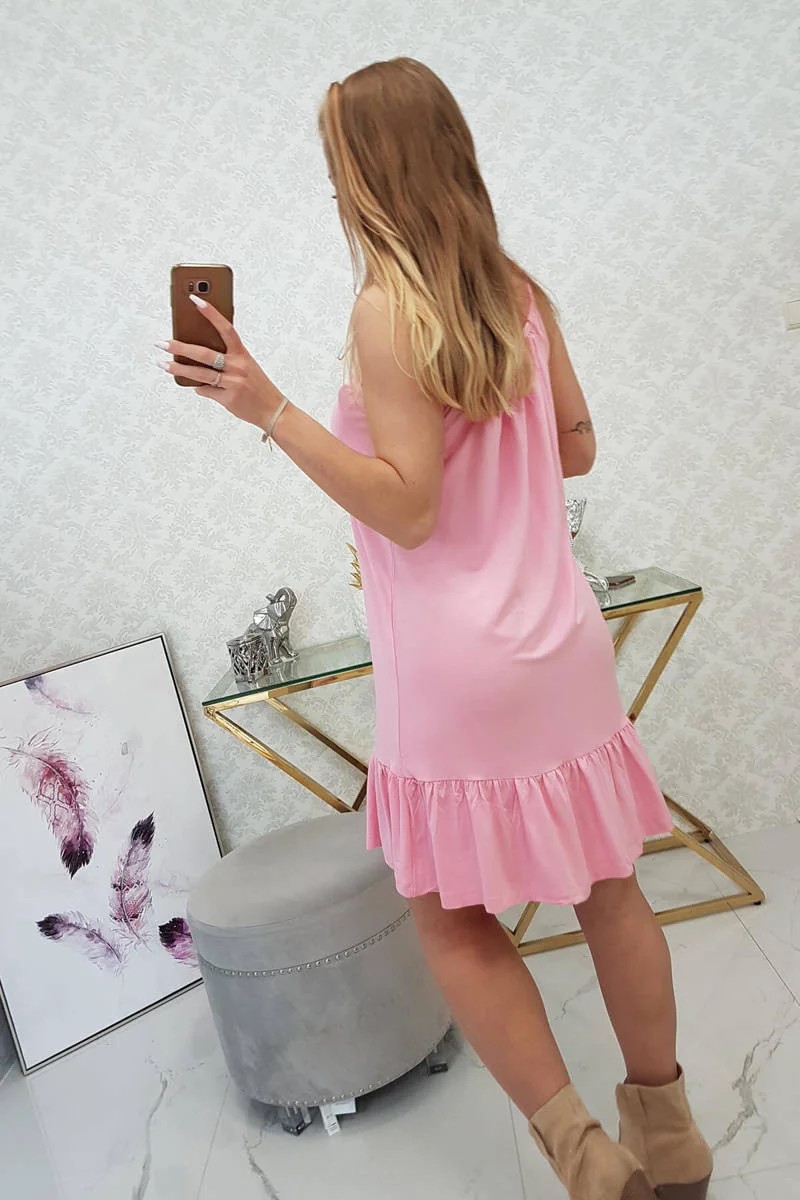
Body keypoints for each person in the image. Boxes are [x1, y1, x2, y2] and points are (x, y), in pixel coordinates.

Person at [156, 57, 713, 1200]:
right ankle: (669, 1138)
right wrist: (495, 467)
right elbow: (574, 446)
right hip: (558, 643)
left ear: (369, 173)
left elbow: (406, 510)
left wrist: (269, 409)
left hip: (458, 665)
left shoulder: (384, 312)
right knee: (607, 885)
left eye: (337, 167)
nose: (332, 189)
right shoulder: (517, 292)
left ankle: (586, 1161)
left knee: (449, 915)